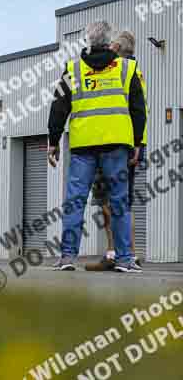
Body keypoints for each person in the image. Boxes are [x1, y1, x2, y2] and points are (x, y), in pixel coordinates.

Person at [48, 20, 146, 273]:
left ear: (89, 41)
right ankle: (124, 259)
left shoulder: (73, 69)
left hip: (83, 146)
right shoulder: (126, 68)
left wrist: (53, 142)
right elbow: (138, 108)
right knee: (119, 202)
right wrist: (137, 142)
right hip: (117, 145)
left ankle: (68, 257)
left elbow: (59, 107)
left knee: (75, 201)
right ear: (108, 40)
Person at [86, 30, 148, 271]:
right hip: (126, 143)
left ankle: (120, 253)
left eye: (111, 46)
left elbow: (138, 111)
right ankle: (124, 253)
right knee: (119, 201)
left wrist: (136, 145)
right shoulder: (134, 72)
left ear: (118, 49)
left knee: (110, 200)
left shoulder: (122, 71)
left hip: (117, 145)